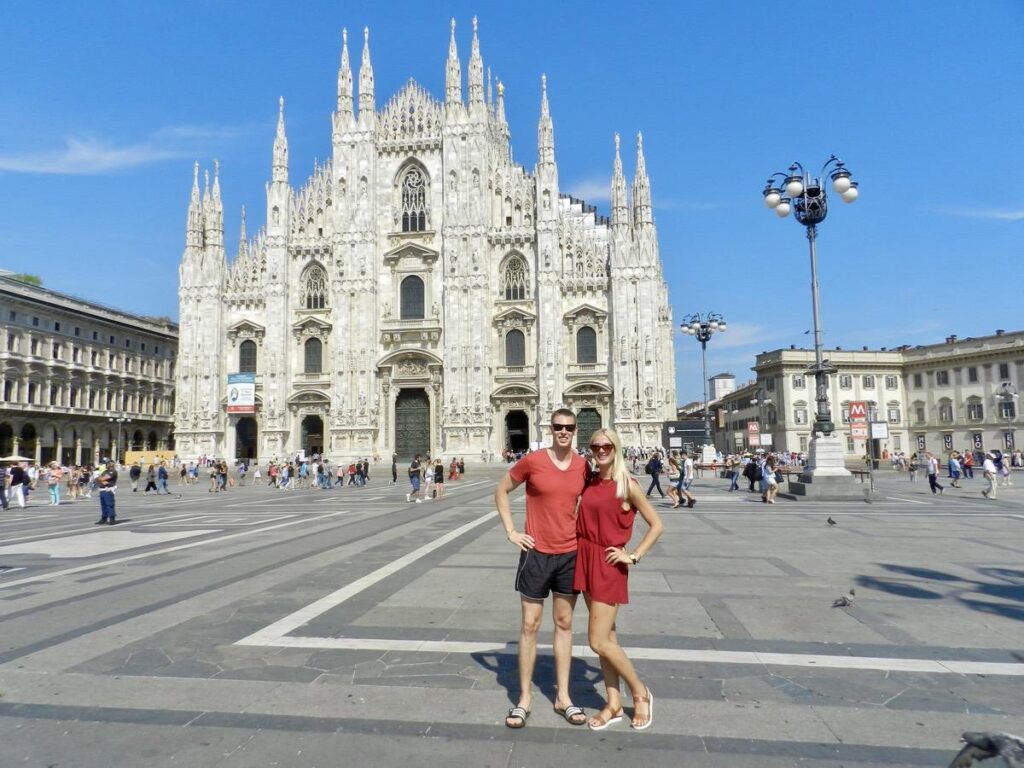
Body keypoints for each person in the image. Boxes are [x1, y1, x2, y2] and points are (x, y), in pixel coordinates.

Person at [495, 408, 589, 729]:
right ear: (550, 429)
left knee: (564, 623)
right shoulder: (533, 461)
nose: (563, 431)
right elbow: (502, 489)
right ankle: (524, 698)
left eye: (569, 427)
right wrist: (511, 531)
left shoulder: (582, 465)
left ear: (575, 430)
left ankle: (563, 696)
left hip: (569, 554)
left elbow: (599, 500)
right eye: (558, 426)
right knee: (530, 626)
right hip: (535, 553)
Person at [575, 427, 663, 731]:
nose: (600, 450)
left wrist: (633, 555)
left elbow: (656, 524)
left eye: (606, 446)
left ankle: (640, 692)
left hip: (608, 563)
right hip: (585, 559)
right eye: (595, 446)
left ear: (617, 448)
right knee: (607, 639)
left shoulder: (628, 484)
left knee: (597, 640)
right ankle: (613, 702)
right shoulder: (591, 481)